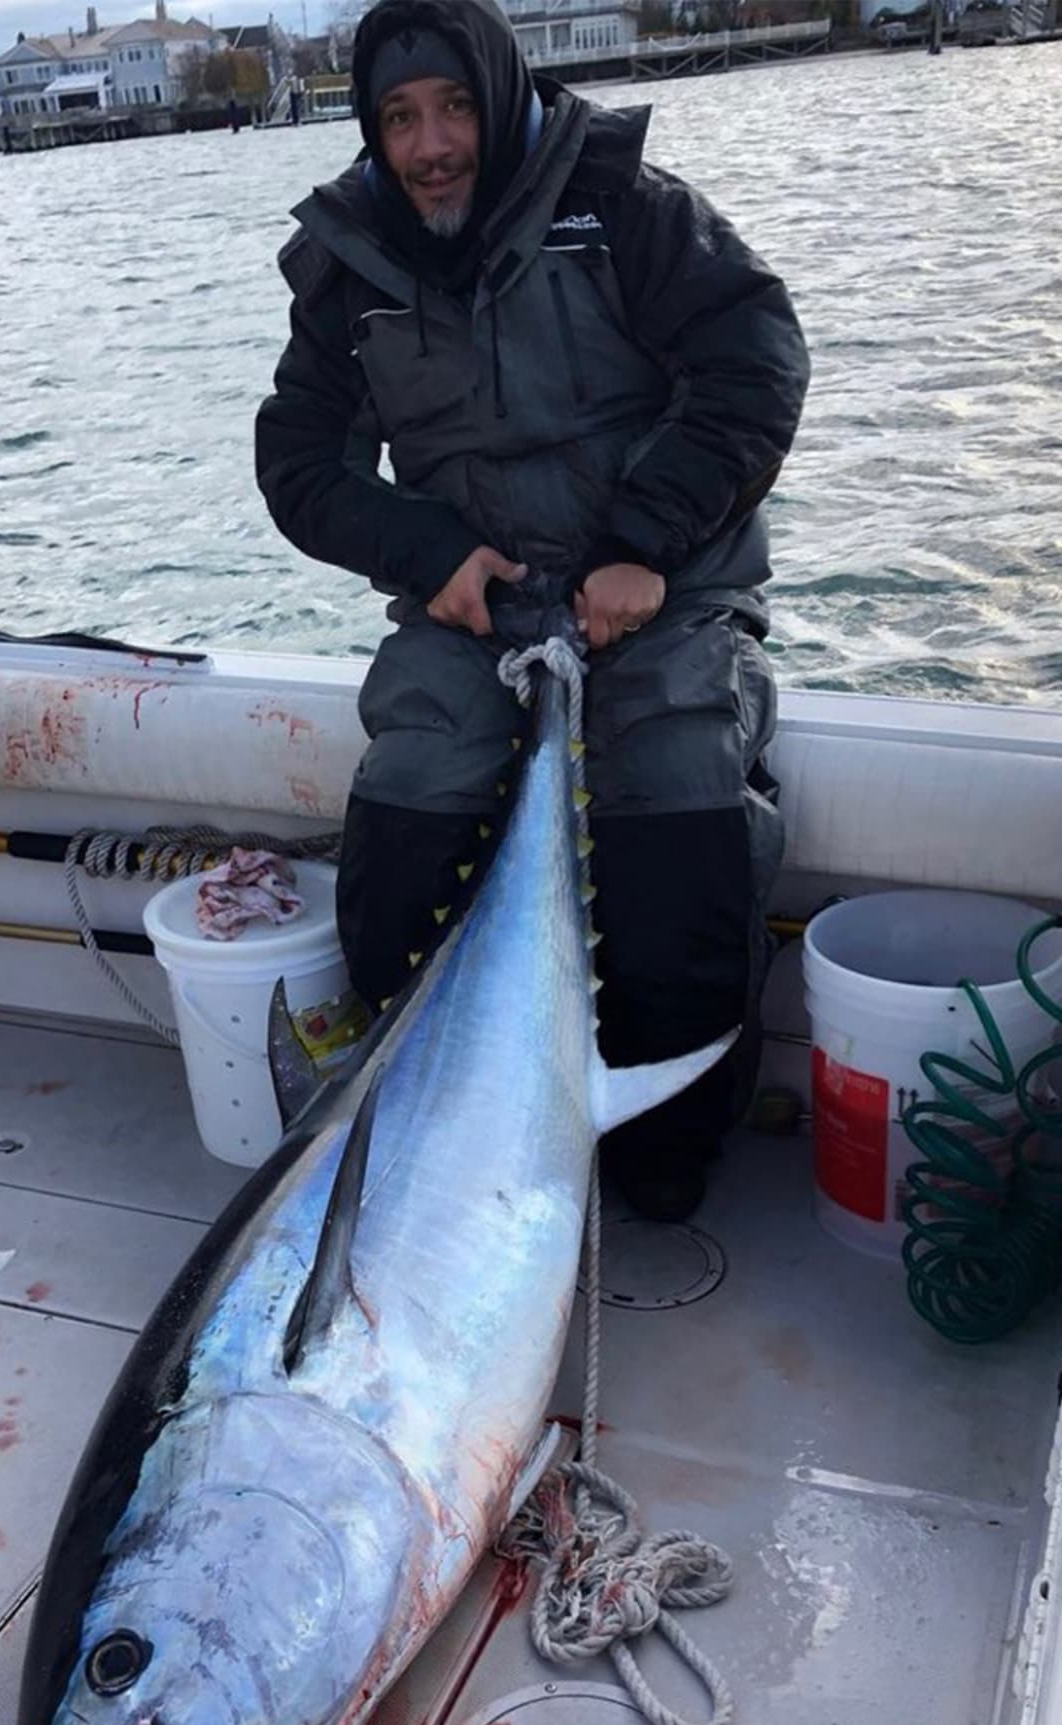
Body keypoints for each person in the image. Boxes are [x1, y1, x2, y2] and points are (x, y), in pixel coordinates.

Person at [255, 0, 810, 1221]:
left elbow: (755, 359)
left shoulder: (626, 205)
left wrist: (642, 547)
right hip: (475, 610)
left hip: (653, 595)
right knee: (401, 844)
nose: (429, 144)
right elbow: (299, 461)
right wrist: (430, 553)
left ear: (499, 99)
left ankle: (659, 1157)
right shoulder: (349, 259)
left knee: (672, 848)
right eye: (397, 118)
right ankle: (433, 1136)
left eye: (452, 106)